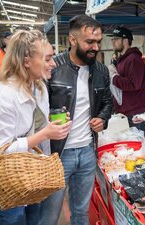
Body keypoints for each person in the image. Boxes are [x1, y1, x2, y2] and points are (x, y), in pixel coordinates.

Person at [0, 29, 71, 225]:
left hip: (30, 180)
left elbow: (37, 127)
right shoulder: (3, 96)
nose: (53, 63)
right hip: (6, 185)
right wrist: (44, 134)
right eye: (47, 59)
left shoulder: (39, 88)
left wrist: (52, 126)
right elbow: (0, 152)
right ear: (26, 61)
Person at [40, 15, 113, 225]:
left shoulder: (101, 71)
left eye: (98, 41)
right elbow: (37, 109)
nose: (95, 47)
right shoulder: (54, 68)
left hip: (87, 152)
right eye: (89, 42)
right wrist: (53, 117)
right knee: (49, 215)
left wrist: (102, 118)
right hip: (57, 154)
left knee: (81, 213)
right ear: (73, 40)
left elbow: (108, 102)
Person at [108, 27, 145, 124]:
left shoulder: (133, 59)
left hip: (134, 112)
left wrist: (114, 77)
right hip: (125, 110)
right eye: (112, 39)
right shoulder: (122, 59)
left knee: (134, 138)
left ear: (125, 41)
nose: (113, 42)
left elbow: (134, 85)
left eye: (116, 39)